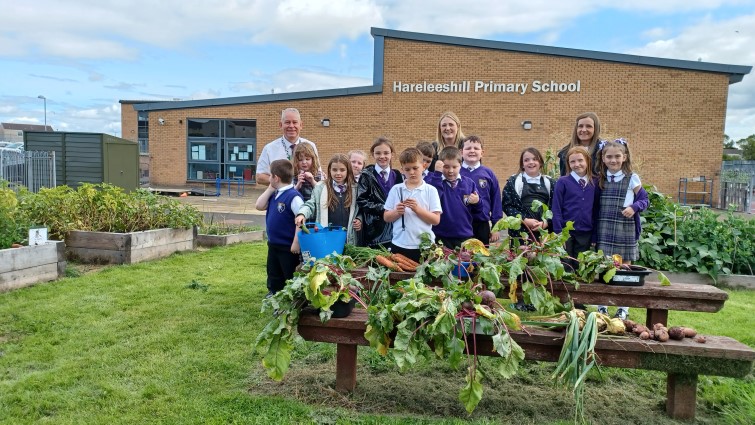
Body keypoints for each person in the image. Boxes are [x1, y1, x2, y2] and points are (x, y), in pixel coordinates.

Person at [594, 138, 649, 321]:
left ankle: (623, 308)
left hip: (624, 226)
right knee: (605, 266)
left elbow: (644, 200)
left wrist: (634, 207)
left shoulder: (632, 178)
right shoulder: (599, 178)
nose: (613, 160)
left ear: (624, 157)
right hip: (604, 226)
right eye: (609, 157)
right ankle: (602, 306)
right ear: (603, 158)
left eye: (617, 156)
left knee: (625, 269)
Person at [384, 148, 442, 262]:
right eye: (407, 169)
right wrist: (396, 212)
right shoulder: (396, 189)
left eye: (415, 168)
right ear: (402, 170)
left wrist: (417, 209)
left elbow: (436, 220)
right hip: (399, 244)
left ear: (424, 166)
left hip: (425, 247)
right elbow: (386, 217)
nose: (411, 172)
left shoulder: (431, 190)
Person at [254, 159, 303, 297]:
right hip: (274, 243)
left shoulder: (293, 197)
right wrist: (270, 188)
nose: (269, 178)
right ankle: (274, 292)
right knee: (273, 271)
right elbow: (259, 205)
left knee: (288, 273)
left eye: (270, 176)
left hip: (288, 246)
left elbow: (301, 220)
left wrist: (296, 242)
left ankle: (290, 298)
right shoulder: (275, 193)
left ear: (276, 177)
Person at [295, 154, 362, 245]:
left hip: (349, 238)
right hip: (327, 237)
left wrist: (359, 219)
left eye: (342, 170)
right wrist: (302, 214)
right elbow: (310, 204)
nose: (338, 173)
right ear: (329, 170)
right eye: (334, 170)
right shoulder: (321, 187)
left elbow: (360, 210)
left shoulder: (356, 188)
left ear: (348, 171)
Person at [426, 146, 480, 249]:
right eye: (446, 167)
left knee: (464, 264)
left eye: (454, 167)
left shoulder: (469, 183)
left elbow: (478, 210)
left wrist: (477, 202)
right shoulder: (434, 181)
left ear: (461, 165)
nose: (450, 171)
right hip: (440, 236)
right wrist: (437, 174)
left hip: (464, 236)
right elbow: (433, 199)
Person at [552, 146, 596, 271]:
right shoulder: (563, 182)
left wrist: (594, 235)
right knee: (566, 266)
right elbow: (556, 209)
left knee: (581, 267)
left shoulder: (595, 183)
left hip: (586, 233)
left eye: (580, 160)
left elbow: (596, 210)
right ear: (568, 164)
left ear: (587, 161)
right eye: (572, 161)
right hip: (566, 234)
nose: (577, 164)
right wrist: (559, 233)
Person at [356, 136, 404, 248]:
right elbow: (362, 201)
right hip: (374, 230)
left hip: (395, 228)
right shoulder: (366, 175)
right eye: (378, 153)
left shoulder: (397, 175)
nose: (382, 156)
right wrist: (384, 209)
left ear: (392, 154)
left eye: (386, 153)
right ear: (373, 154)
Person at [256, 108, 319, 185]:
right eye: (287, 122)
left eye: (295, 122)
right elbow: (259, 177)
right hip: (280, 196)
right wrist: (283, 183)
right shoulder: (269, 148)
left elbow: (318, 172)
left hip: (306, 195)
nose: (291, 126)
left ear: (301, 125)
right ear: (280, 125)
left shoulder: (311, 146)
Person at [502, 147, 554, 240]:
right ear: (522, 164)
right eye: (526, 160)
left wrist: (546, 223)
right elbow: (507, 205)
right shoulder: (513, 182)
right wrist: (524, 220)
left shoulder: (550, 183)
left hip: (544, 233)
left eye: (535, 159)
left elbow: (556, 207)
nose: (531, 162)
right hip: (520, 233)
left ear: (541, 163)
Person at [460, 135, 503, 244]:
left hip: (481, 224)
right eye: (468, 148)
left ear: (482, 153)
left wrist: (496, 226)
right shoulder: (455, 172)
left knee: (480, 258)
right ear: (461, 152)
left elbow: (496, 200)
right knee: (460, 257)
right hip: (459, 224)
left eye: (476, 148)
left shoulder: (488, 174)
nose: (472, 151)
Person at [557, 112, 602, 177]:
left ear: (596, 129)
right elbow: (563, 176)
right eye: (580, 126)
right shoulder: (565, 153)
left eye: (589, 126)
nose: (583, 130)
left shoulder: (602, 150)